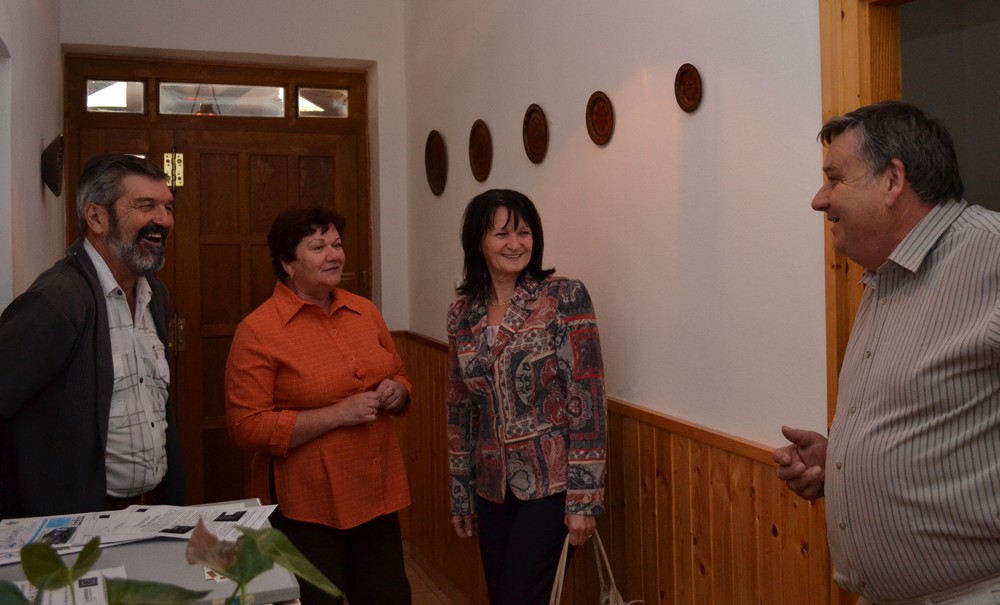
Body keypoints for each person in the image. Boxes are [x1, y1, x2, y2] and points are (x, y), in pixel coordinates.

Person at [774, 101, 1000, 605]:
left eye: (835, 178)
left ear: (894, 179)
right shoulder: (883, 276)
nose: (819, 199)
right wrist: (840, 462)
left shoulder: (991, 255)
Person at [225, 206, 412, 605]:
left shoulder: (364, 311)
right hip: (307, 508)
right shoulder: (259, 330)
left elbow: (398, 372)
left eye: (337, 244)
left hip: (377, 494)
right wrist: (337, 415)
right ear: (287, 264)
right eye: (318, 247)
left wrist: (398, 391)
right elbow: (246, 426)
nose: (334, 255)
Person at [0, 154, 185, 518]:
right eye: (146, 205)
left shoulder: (155, 295)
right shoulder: (57, 300)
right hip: (78, 529)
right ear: (97, 218)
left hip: (150, 515)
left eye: (167, 207)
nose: (163, 220)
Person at [447, 189, 608, 605]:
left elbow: (587, 399)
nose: (515, 244)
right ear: (477, 241)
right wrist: (461, 493)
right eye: (501, 234)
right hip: (491, 489)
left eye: (524, 232)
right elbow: (460, 410)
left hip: (551, 485)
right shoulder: (462, 314)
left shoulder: (563, 297)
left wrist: (584, 500)